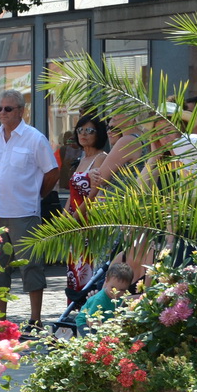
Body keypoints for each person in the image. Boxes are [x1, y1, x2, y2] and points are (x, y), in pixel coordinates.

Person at [0, 90, 60, 329]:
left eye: (8, 109)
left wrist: (37, 196)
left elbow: (52, 171)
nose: (2, 113)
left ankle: (35, 320)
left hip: (24, 213)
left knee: (31, 266)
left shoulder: (34, 138)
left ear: (21, 111)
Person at [64, 116, 111, 299]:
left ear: (98, 133)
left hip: (88, 220)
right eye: (80, 130)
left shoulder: (101, 158)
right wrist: (64, 216)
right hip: (73, 218)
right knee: (74, 266)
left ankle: (87, 306)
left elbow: (95, 192)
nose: (83, 134)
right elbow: (72, 191)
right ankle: (74, 307)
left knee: (88, 266)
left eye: (89, 131)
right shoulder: (82, 157)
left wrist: (77, 215)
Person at [77, 261, 135, 329]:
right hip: (84, 323)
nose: (116, 292)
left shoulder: (121, 298)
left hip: (105, 323)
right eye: (113, 288)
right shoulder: (100, 299)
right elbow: (90, 321)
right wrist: (106, 328)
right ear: (106, 280)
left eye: (122, 290)